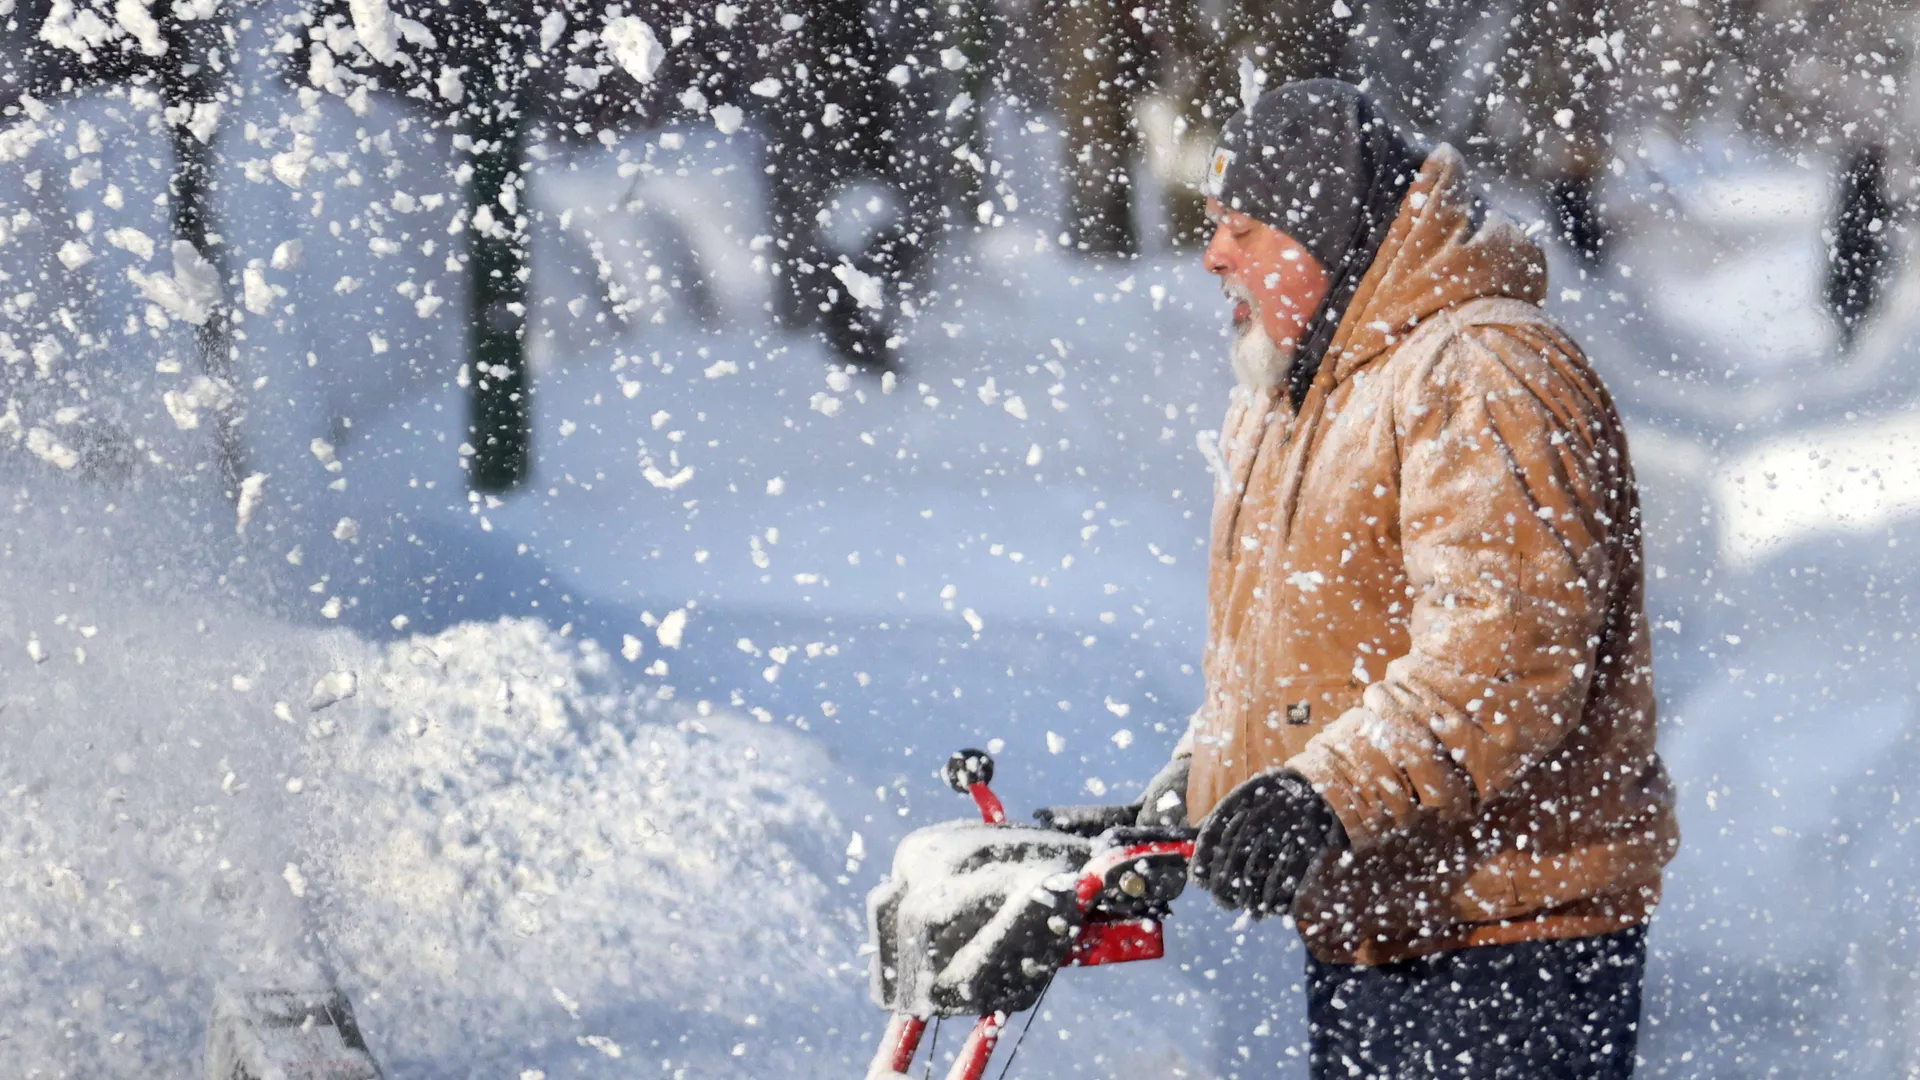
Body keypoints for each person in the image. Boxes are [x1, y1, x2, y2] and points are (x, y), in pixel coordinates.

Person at [1085, 80, 1679, 1079]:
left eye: (1244, 228)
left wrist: (1323, 795)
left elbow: (1507, 657)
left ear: (1326, 236)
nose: (1213, 255)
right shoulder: (1306, 390)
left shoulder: (1480, 367)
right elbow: (1312, 645)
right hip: (1387, 928)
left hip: (1506, 946)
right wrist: (1203, 785)